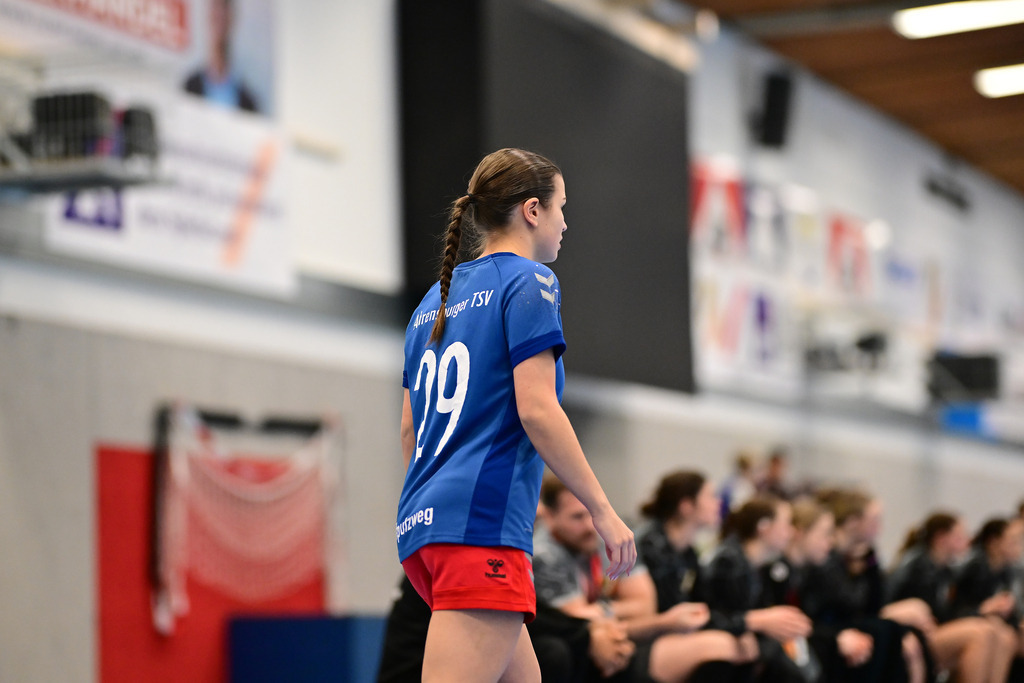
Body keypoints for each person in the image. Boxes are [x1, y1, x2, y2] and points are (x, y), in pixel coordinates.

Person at [394, 148, 636, 683]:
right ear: (532, 210)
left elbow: (411, 430)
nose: (566, 222)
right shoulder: (529, 281)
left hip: (424, 523)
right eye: (561, 207)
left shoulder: (431, 301)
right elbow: (537, 409)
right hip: (478, 528)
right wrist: (602, 510)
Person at [534, 475, 749, 683]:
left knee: (737, 647)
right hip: (593, 646)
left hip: (622, 636)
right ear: (549, 516)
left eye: (592, 514)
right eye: (577, 517)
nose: (590, 526)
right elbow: (578, 622)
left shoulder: (605, 537)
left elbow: (645, 606)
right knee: (720, 647)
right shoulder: (544, 555)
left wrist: (601, 612)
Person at [800, 488, 932, 683]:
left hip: (838, 627)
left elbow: (875, 601)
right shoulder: (828, 556)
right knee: (885, 631)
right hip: (824, 629)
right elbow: (851, 603)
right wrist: (869, 566)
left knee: (905, 634)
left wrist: (870, 563)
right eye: (875, 519)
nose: (880, 527)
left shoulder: (855, 555)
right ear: (853, 521)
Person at [888, 512, 1016, 683]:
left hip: (937, 628)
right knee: (982, 633)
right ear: (942, 538)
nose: (968, 539)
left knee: (1001, 633)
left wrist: (981, 611)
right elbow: (893, 605)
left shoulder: (946, 570)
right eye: (960, 535)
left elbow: (950, 612)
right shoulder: (917, 566)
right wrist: (981, 610)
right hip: (912, 635)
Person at [702, 497, 813, 683]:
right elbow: (713, 618)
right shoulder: (729, 562)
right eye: (786, 524)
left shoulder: (756, 564)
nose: (791, 531)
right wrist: (756, 622)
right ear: (764, 527)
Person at [183, 0, 260, 113]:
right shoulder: (190, 86)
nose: (220, 15)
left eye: (224, 11)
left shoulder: (248, 101)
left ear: (231, 19)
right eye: (216, 13)